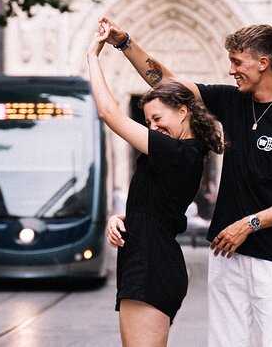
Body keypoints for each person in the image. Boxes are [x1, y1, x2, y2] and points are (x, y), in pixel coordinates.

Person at [99, 16, 272, 347]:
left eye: (237, 61)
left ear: (263, 62)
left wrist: (249, 224)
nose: (231, 70)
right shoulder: (233, 101)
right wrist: (124, 42)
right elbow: (167, 85)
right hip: (225, 252)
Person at [87, 22, 225, 346]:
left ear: (183, 112)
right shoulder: (181, 153)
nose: (152, 128)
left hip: (150, 265)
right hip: (149, 259)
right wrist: (121, 219)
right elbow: (156, 206)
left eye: (158, 119)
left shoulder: (180, 152)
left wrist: (93, 57)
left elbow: (109, 113)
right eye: (148, 121)